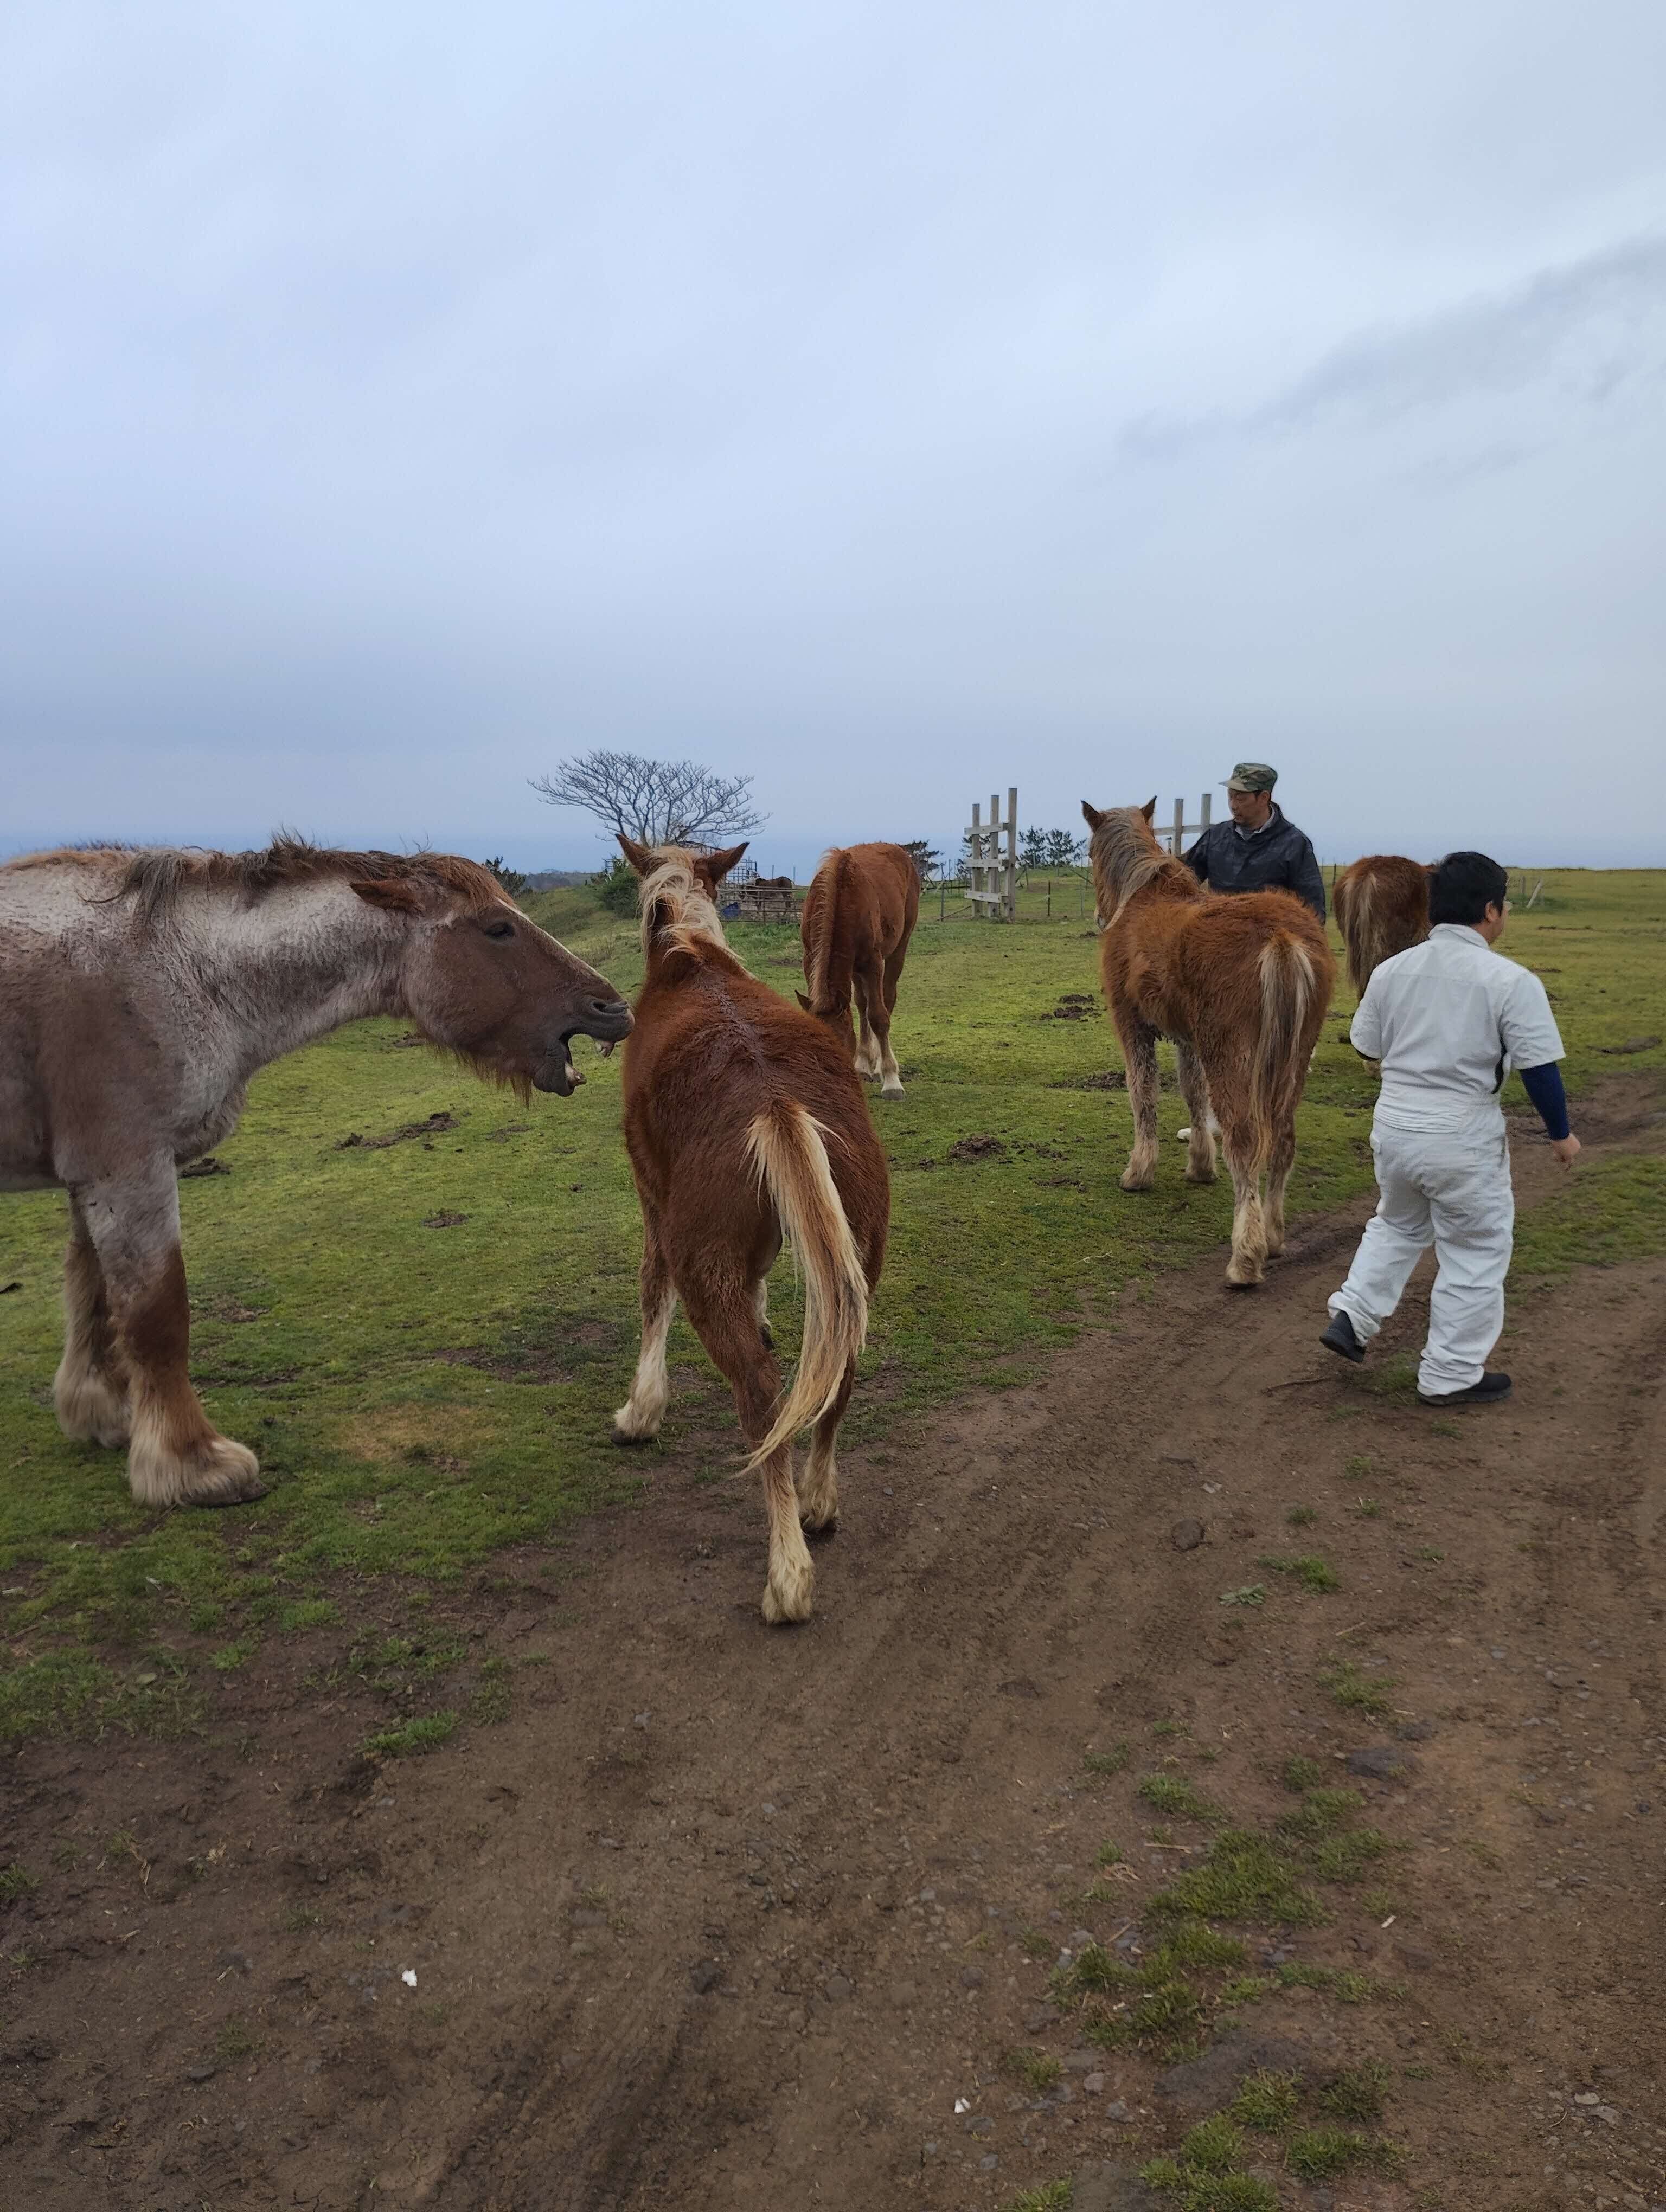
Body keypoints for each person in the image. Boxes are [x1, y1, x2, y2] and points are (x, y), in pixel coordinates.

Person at [1319, 851, 1579, 1407]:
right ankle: (1451, 1373)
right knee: (1476, 1248)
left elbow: (1366, 1044)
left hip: (1395, 1124)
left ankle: (1354, 1314)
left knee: (1396, 1224)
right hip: (1461, 1130)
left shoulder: (1392, 971)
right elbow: (1539, 1068)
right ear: (1491, 911)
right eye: (1503, 906)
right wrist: (1561, 1133)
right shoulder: (1511, 981)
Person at [1183, 762, 1327, 920]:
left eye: (1241, 799)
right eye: (1230, 796)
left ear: (1264, 798)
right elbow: (1181, 881)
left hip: (1268, 940)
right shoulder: (1215, 838)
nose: (1233, 806)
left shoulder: (1294, 845)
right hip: (1216, 938)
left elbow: (1313, 912)